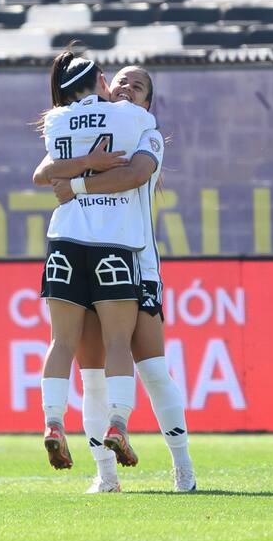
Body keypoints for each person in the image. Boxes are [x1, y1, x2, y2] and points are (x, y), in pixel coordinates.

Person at [35, 65, 196, 494]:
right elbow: (44, 169)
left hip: (137, 262)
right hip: (90, 253)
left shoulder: (148, 135)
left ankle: (183, 469)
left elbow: (134, 174)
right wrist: (78, 166)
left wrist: (76, 186)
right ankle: (105, 477)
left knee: (154, 368)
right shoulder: (91, 128)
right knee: (92, 373)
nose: (127, 88)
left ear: (147, 103)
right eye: (122, 81)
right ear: (107, 86)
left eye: (138, 86)